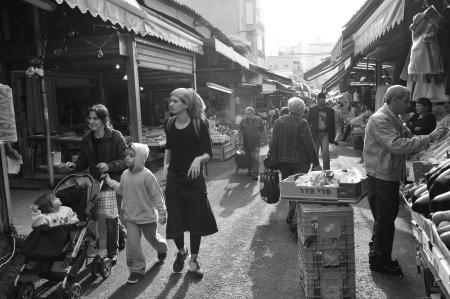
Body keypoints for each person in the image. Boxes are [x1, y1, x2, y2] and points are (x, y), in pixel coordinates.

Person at [363, 85, 447, 275]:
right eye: (406, 100)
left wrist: (429, 139)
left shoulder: (394, 118)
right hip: (381, 176)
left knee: (385, 217)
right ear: (394, 100)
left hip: (388, 174)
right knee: (385, 218)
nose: (410, 105)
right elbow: (396, 144)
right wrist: (428, 139)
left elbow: (408, 136)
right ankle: (380, 259)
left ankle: (378, 253)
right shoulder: (380, 119)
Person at [164, 88, 218, 278]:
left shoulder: (199, 124)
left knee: (196, 221)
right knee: (175, 220)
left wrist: (198, 160)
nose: (171, 104)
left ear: (186, 104)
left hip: (194, 180)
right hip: (174, 179)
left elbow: (208, 153)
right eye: (170, 101)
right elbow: (169, 146)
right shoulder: (169, 123)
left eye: (175, 101)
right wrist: (165, 165)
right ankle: (181, 251)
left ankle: (193, 260)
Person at [66, 104, 127, 265]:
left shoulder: (115, 136)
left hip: (110, 182)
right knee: (96, 216)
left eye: (95, 118)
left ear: (104, 120)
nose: (91, 122)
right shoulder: (87, 139)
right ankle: (121, 235)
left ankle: (112, 252)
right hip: (94, 185)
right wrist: (75, 166)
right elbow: (83, 160)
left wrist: (109, 166)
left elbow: (125, 159)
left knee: (110, 218)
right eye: (90, 118)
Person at [105, 143, 168, 284]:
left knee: (153, 239)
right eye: (126, 154)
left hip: (147, 217)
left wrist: (163, 213)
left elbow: (157, 196)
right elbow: (122, 189)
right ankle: (137, 270)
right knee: (132, 244)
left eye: (131, 155)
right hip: (131, 217)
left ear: (140, 158)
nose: (127, 157)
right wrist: (110, 181)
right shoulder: (125, 174)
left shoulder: (147, 176)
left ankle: (162, 248)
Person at [269, 97, 321, 233]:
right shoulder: (302, 122)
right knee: (299, 189)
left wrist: (273, 158)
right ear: (301, 110)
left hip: (283, 161)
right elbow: (309, 144)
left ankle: (291, 214)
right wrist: (316, 162)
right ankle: (293, 217)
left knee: (291, 188)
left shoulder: (278, 121)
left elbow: (273, 142)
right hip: (300, 161)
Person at [307, 93, 335, 170]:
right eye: (320, 100)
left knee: (325, 153)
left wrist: (332, 137)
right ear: (317, 100)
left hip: (325, 133)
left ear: (325, 100)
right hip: (315, 133)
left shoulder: (330, 110)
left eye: (323, 100)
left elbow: (332, 124)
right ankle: (315, 169)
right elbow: (308, 122)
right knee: (315, 153)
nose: (322, 102)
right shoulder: (312, 109)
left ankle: (326, 170)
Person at [240, 107, 264, 180]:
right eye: (246, 114)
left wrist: (263, 140)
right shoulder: (243, 121)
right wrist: (240, 141)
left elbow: (262, 130)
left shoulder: (258, 120)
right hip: (246, 143)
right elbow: (241, 131)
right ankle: (250, 171)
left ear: (253, 114)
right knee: (248, 158)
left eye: (249, 114)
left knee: (256, 158)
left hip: (256, 143)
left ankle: (255, 174)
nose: (248, 116)